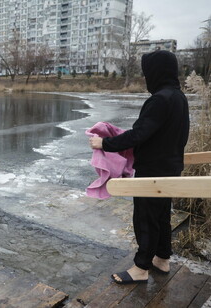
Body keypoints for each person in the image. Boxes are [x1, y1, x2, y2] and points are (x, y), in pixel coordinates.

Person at [89, 50, 189, 284]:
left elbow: (139, 134)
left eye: (147, 72)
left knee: (145, 218)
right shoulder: (178, 97)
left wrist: (105, 142)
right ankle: (162, 259)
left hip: (153, 171)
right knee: (162, 216)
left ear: (155, 72)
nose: (146, 77)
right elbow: (161, 133)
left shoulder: (159, 100)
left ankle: (141, 267)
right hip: (171, 167)